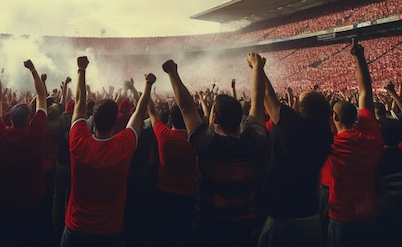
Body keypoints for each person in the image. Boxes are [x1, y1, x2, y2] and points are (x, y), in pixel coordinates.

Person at [162, 55, 269, 247]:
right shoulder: (254, 143)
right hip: (245, 231)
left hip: (208, 230)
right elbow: (258, 102)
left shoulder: (207, 144)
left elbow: (186, 108)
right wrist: (257, 68)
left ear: (215, 119)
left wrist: (172, 73)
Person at [60, 56, 154, 247]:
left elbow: (79, 102)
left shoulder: (77, 141)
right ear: (115, 123)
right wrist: (148, 84)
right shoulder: (123, 146)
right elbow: (139, 112)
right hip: (110, 232)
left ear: (93, 120)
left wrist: (81, 69)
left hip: (75, 229)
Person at [255, 54, 333, 247]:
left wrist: (258, 67)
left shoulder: (294, 127)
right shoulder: (325, 134)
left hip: (283, 215)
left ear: (298, 107)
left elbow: (266, 96)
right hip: (310, 214)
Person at [322, 39, 384, 247]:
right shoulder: (371, 135)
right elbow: (366, 92)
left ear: (334, 119)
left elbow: (366, 93)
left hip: (342, 219)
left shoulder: (332, 146)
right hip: (371, 214)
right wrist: (360, 58)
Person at [0, 60, 47, 247]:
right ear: (29, 119)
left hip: (8, 200)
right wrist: (33, 69)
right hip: (34, 198)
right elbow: (41, 95)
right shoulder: (35, 132)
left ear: (10, 119)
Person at [147, 101, 196, 247]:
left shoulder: (164, 135)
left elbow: (152, 113)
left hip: (164, 195)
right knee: (183, 234)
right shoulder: (196, 141)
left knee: (162, 234)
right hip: (188, 196)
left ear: (170, 119)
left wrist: (148, 86)